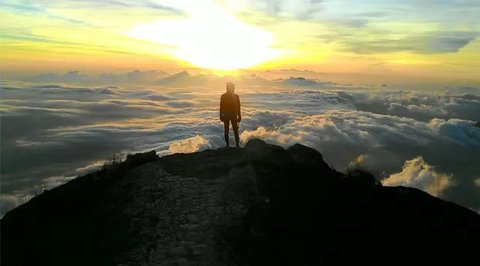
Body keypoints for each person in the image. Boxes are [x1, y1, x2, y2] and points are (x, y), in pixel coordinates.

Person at [220, 82, 241, 147]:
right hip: (232, 114)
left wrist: (221, 115)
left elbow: (221, 106)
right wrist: (239, 116)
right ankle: (236, 145)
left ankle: (228, 145)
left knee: (228, 130)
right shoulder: (236, 96)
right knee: (234, 130)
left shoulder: (224, 96)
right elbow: (238, 106)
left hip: (228, 114)